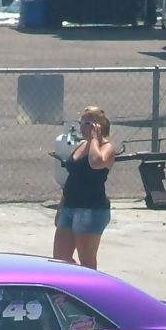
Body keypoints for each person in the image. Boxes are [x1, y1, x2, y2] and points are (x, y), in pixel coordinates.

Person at [52, 105, 116, 270]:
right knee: (60, 258)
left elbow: (96, 162)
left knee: (86, 261)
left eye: (87, 123)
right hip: (69, 206)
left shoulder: (106, 147)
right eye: (81, 123)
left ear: (99, 126)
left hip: (90, 209)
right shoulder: (81, 145)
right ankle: (68, 285)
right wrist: (61, 206)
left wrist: (94, 139)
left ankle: (89, 285)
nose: (82, 127)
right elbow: (73, 177)